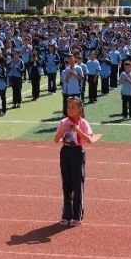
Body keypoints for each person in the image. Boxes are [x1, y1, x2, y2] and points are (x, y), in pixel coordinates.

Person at [54, 97, 94, 227]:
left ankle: (77, 215)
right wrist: (62, 130)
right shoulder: (63, 122)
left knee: (77, 185)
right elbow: (56, 140)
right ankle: (66, 215)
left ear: (80, 109)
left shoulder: (83, 123)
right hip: (65, 152)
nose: (69, 109)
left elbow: (89, 140)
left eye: (72, 107)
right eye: (68, 107)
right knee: (66, 185)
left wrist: (77, 130)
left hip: (77, 153)